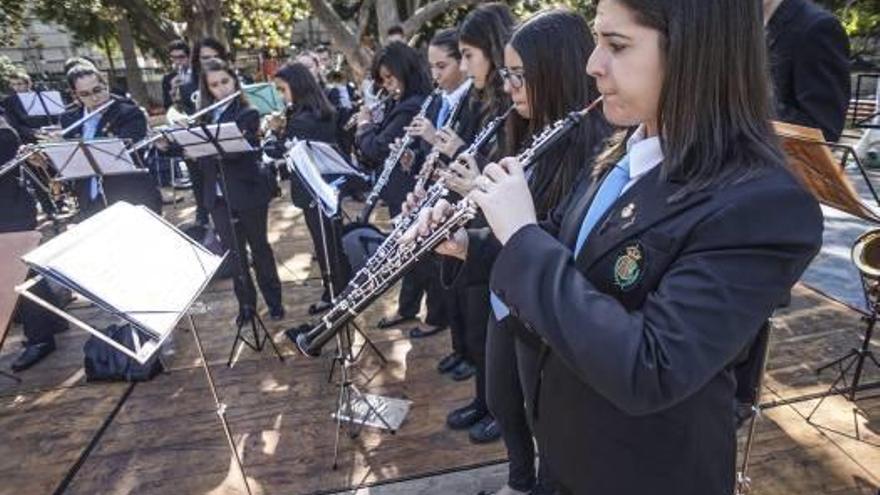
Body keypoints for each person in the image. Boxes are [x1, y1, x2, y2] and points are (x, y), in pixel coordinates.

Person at [415, 0, 824, 493]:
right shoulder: (626, 148)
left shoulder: (764, 204)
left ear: (696, 52)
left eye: (616, 45)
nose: (592, 65)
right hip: (567, 453)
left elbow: (649, 366)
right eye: (596, 41)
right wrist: (470, 244)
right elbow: (568, 241)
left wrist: (521, 238)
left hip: (640, 472)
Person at [434, 9, 611, 494]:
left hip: (545, 309)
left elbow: (552, 236)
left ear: (556, 72)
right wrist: (463, 237)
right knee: (502, 399)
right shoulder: (527, 129)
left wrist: (489, 207)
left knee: (540, 414)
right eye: (507, 74)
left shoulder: (594, 146)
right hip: (506, 293)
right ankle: (517, 481)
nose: (509, 87)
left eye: (519, 76)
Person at [195, 58, 285, 324]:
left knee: (259, 249)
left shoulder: (247, 113)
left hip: (248, 190)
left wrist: (207, 146)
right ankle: (246, 306)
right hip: (218, 196)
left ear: (234, 81)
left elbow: (240, 152)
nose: (221, 89)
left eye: (225, 82)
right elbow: (199, 161)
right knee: (234, 254)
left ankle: (274, 302)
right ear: (207, 89)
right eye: (214, 85)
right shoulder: (202, 116)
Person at [266, 62, 352, 315]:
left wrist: (273, 132)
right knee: (333, 240)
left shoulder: (302, 119)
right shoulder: (322, 111)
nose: (282, 96)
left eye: (283, 90)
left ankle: (334, 293)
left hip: (314, 189)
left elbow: (279, 151)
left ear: (297, 87)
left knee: (325, 244)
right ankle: (341, 287)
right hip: (330, 185)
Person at [0, 113, 69, 371]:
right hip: (11, 207)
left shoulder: (3, 130)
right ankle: (53, 320)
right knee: (26, 269)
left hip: (9, 209)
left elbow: (7, 143)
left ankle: (40, 338)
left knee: (16, 272)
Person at [57, 65, 161, 219]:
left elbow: (122, 153)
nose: (94, 98)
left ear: (105, 84)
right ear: (75, 95)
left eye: (97, 90)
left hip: (129, 197)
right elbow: (68, 165)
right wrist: (49, 155)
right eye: (85, 94)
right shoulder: (69, 119)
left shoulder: (129, 112)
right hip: (90, 201)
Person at [354, 41, 433, 219]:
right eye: (382, 80)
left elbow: (377, 149)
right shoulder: (399, 103)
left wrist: (364, 125)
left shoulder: (410, 107)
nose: (386, 85)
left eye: (389, 77)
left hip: (407, 195)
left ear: (405, 72)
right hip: (401, 194)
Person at [765, 0, 850, 142]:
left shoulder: (818, 27)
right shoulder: (741, 25)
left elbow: (824, 130)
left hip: (779, 161)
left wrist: (744, 104)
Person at [161, 39, 193, 112]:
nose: (177, 61)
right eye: (174, 58)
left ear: (189, 56)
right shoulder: (168, 78)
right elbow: (167, 106)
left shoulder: (198, 73)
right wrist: (173, 90)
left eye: (181, 57)